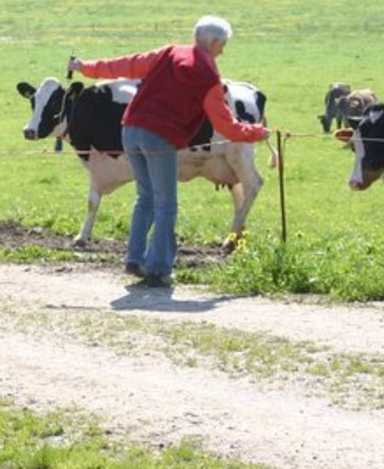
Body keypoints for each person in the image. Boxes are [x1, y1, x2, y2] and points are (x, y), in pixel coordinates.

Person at [68, 15, 268, 288]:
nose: (223, 51)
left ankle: (135, 259)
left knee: (145, 197)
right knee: (166, 204)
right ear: (212, 42)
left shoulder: (169, 52)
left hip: (130, 130)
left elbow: (128, 64)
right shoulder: (207, 74)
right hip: (159, 137)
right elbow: (224, 123)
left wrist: (86, 68)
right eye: (223, 45)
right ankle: (159, 268)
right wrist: (255, 132)